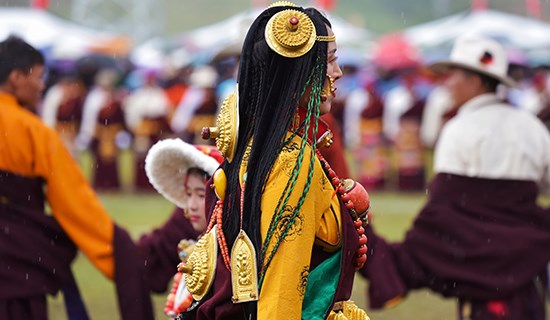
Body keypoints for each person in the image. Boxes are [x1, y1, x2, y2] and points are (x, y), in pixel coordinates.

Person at [176, 3, 370, 320]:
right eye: (331, 60)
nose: (338, 73)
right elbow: (282, 288)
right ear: (302, 72)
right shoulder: (292, 160)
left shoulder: (262, 148)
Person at [0, 35, 201, 320]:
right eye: (39, 76)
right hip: (12, 259)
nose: (42, 85)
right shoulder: (31, 130)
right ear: (16, 77)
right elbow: (74, 203)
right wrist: (120, 250)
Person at [360, 35, 550, 320]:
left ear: (475, 80)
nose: (447, 83)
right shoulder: (532, 126)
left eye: (454, 75)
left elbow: (448, 209)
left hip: (478, 272)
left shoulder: (458, 129)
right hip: (526, 273)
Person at [143, 138, 223, 318]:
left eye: (201, 195)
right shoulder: (198, 245)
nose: (191, 205)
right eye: (188, 194)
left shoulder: (224, 257)